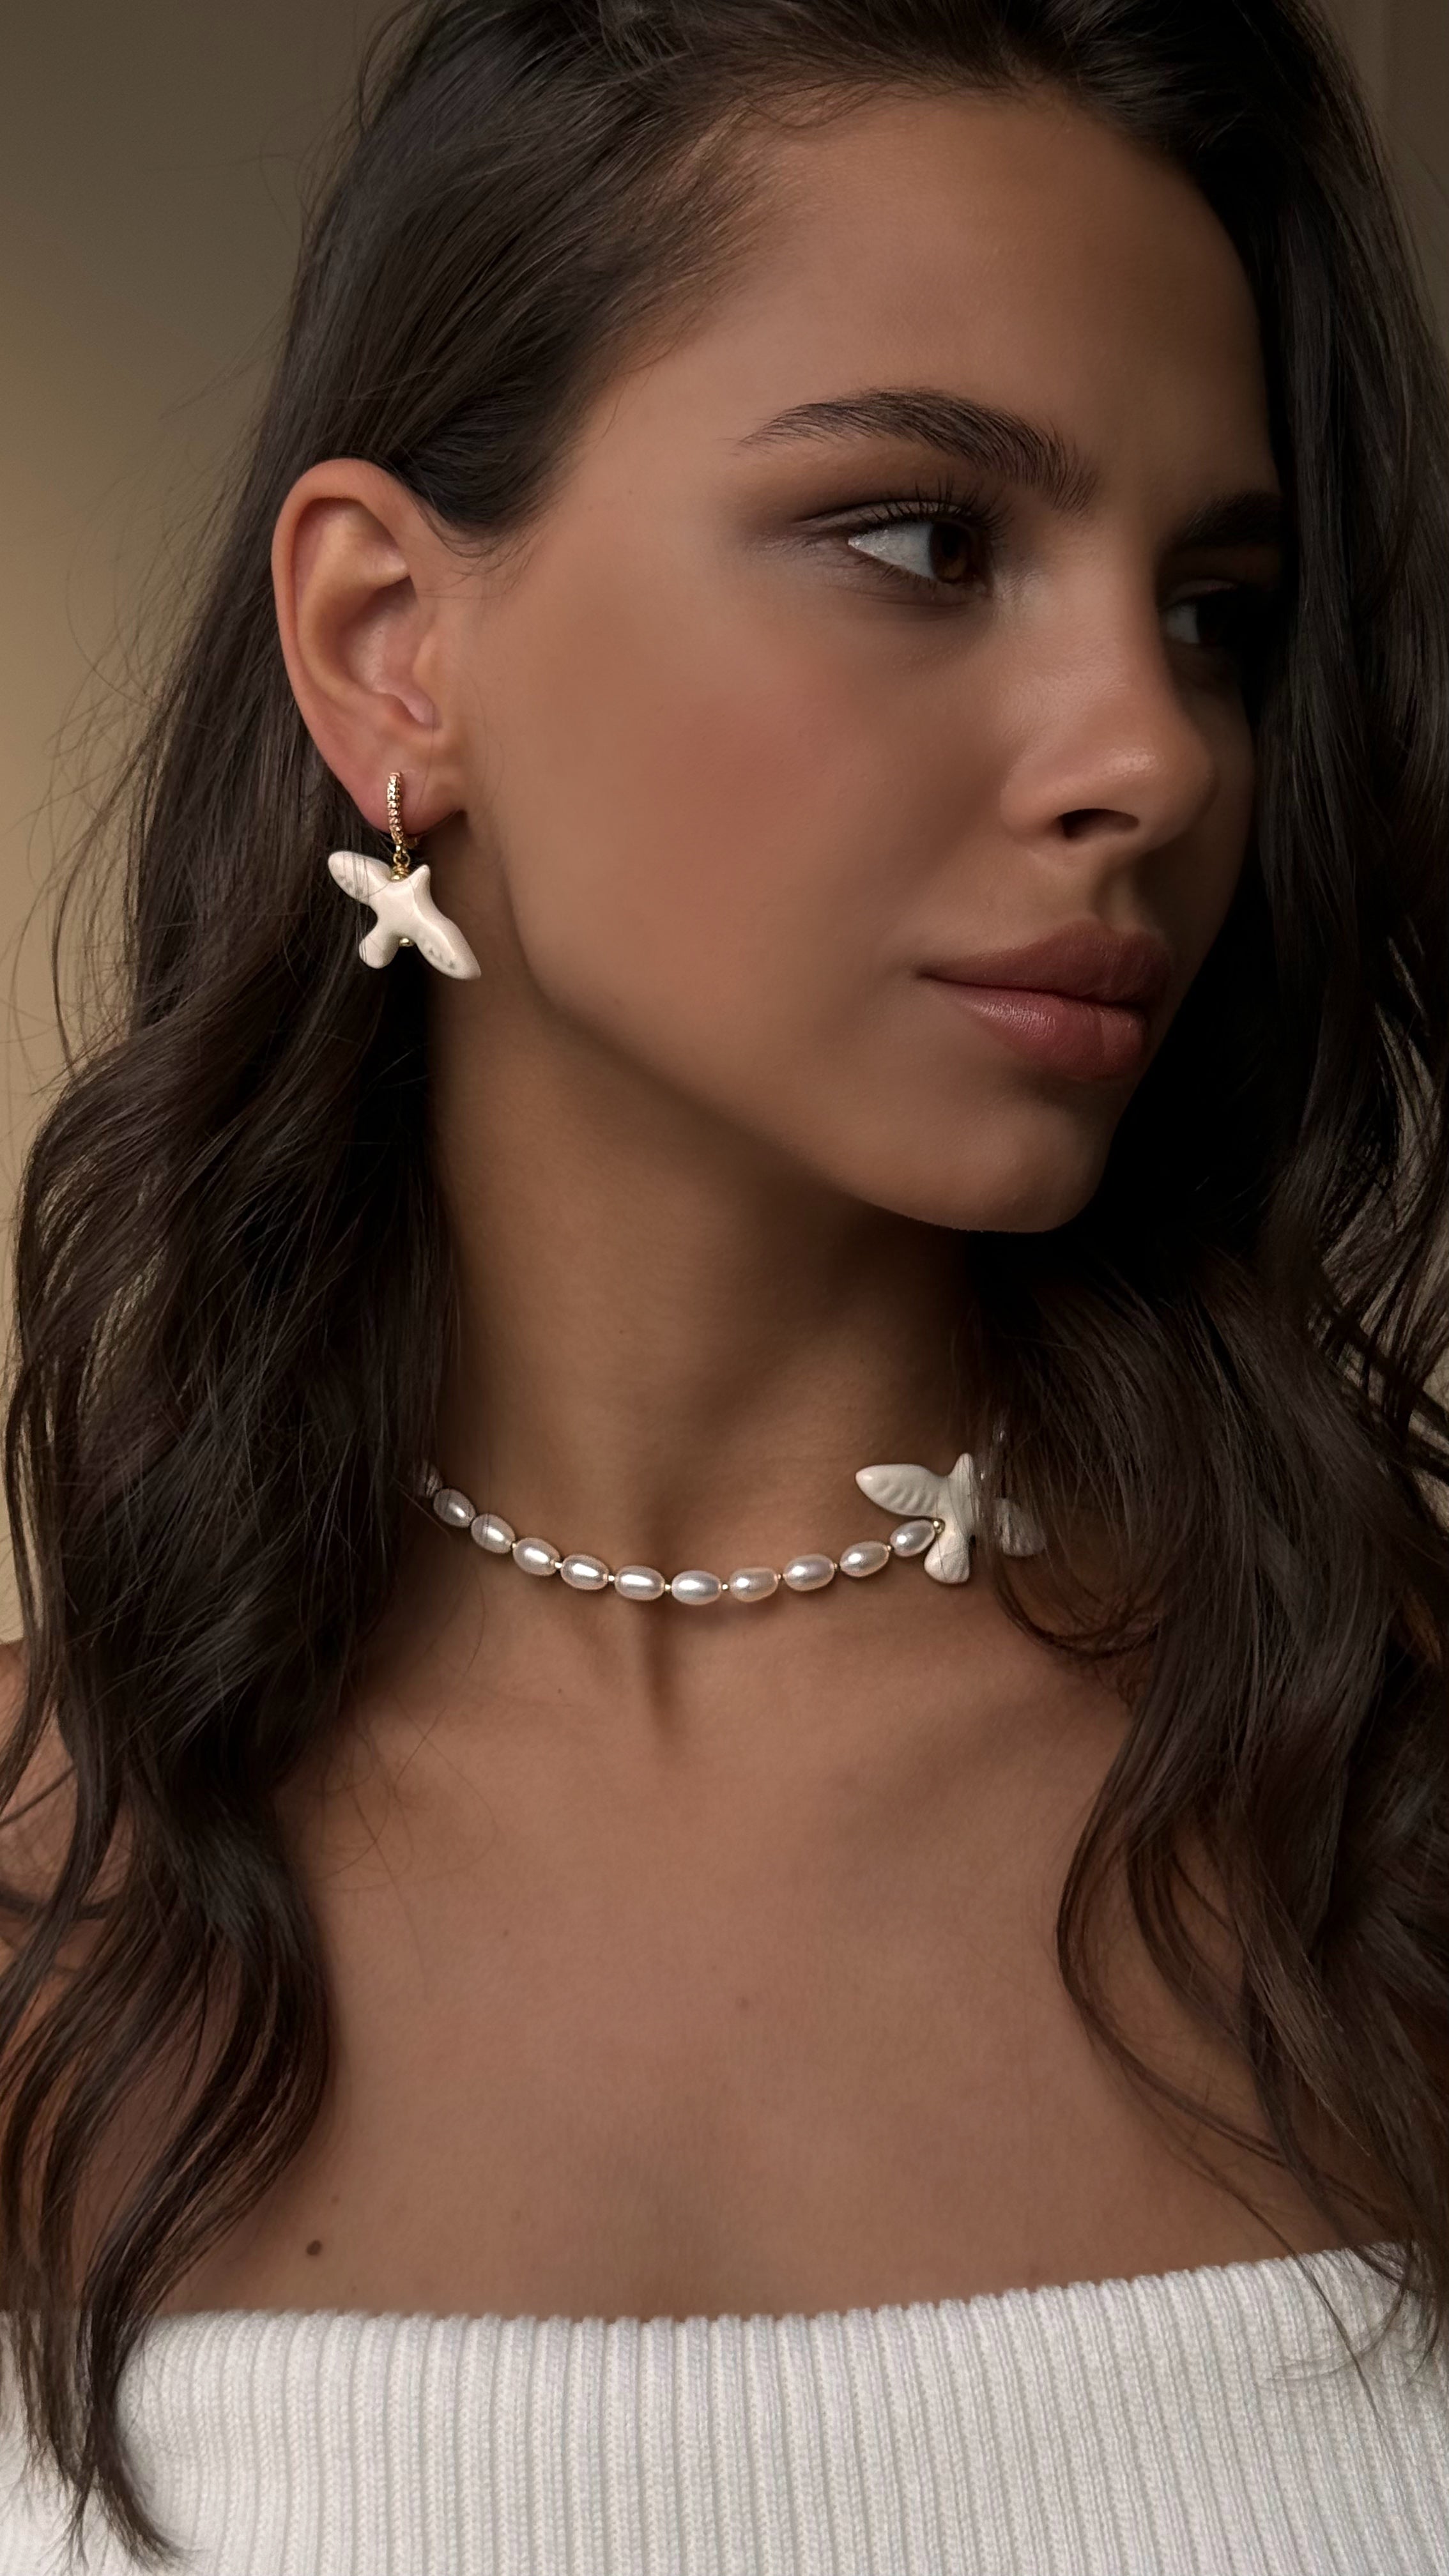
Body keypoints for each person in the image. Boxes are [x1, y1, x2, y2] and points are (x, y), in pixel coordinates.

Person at [2, 0, 1447, 2567]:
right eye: (922, 541)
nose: (1153, 751)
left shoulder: (1384, 1821)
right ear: (390, 644)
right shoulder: (41, 1886)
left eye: (1217, 610)